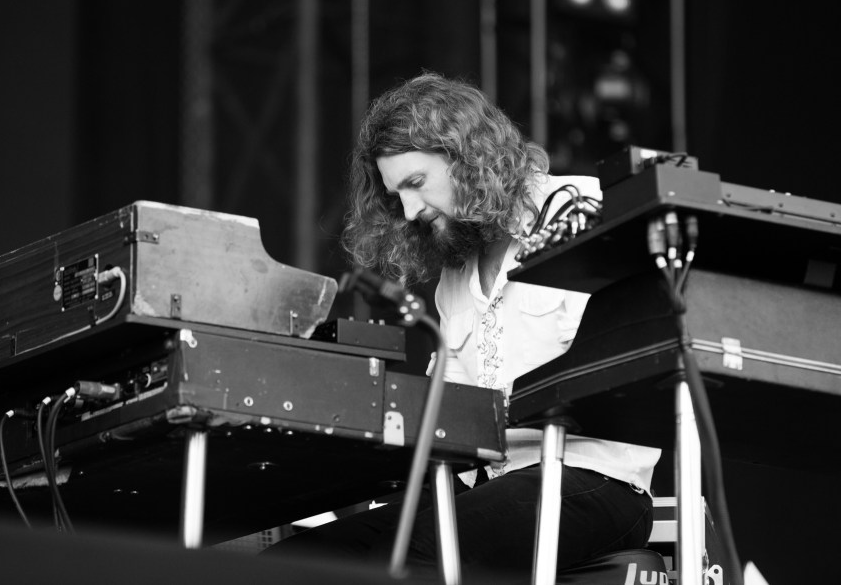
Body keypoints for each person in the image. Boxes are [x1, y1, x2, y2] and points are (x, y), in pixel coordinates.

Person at [264, 72, 661, 579]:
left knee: (419, 558)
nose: (409, 211)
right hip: (484, 482)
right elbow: (448, 408)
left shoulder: (587, 209)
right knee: (299, 561)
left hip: (596, 479)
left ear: (470, 157)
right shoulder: (456, 270)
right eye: (396, 195)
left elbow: (643, 364)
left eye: (415, 183)